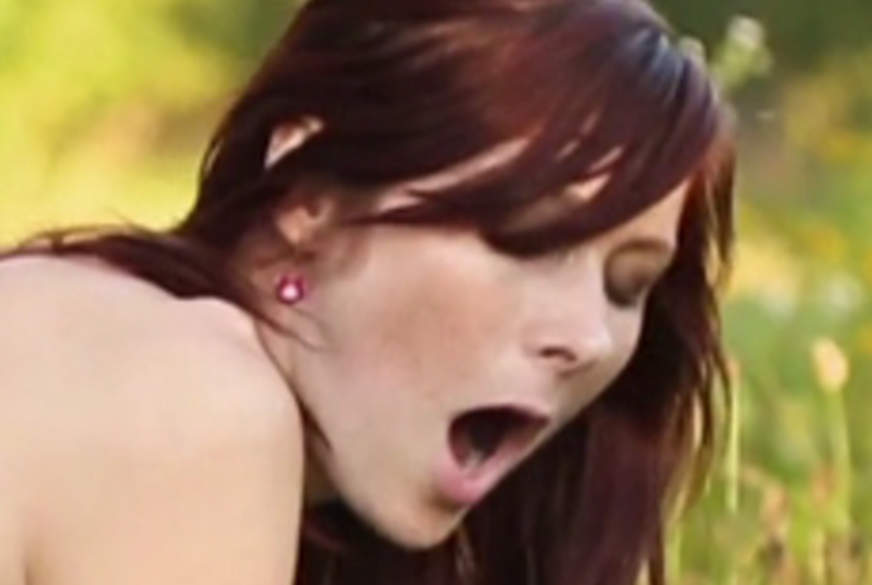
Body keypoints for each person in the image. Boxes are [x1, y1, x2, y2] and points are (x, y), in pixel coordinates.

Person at [0, 0, 736, 584]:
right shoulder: (201, 402)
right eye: (528, 239)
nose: (590, 337)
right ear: (310, 195)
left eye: (627, 286)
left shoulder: (83, 320)